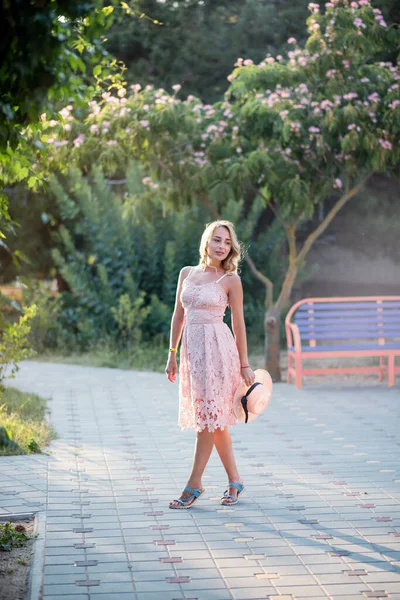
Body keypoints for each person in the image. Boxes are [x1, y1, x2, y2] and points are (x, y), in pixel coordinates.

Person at [165, 220, 256, 509]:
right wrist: (172, 353)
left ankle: (194, 485)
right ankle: (235, 481)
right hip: (193, 354)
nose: (221, 246)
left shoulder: (230, 280)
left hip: (218, 351)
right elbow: (178, 316)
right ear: (206, 241)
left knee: (207, 419)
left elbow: (239, 325)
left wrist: (244, 364)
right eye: (217, 240)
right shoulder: (187, 273)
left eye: (227, 242)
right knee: (213, 420)